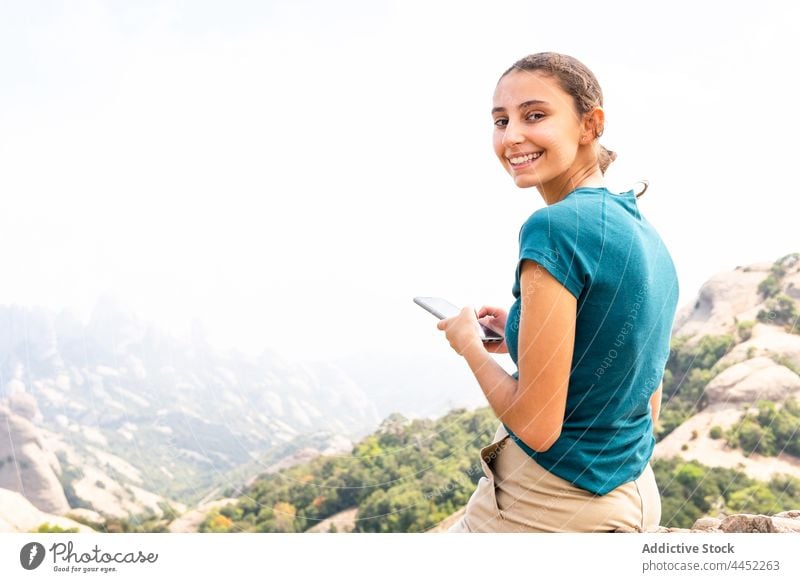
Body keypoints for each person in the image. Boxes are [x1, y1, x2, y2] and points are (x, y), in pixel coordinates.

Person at [436, 52, 679, 533]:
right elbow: (641, 391)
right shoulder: (644, 234)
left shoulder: (553, 227)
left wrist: (469, 347)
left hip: (546, 507)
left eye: (535, 115)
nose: (512, 137)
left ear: (590, 125)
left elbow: (538, 428)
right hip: (633, 497)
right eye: (501, 121)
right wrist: (521, 331)